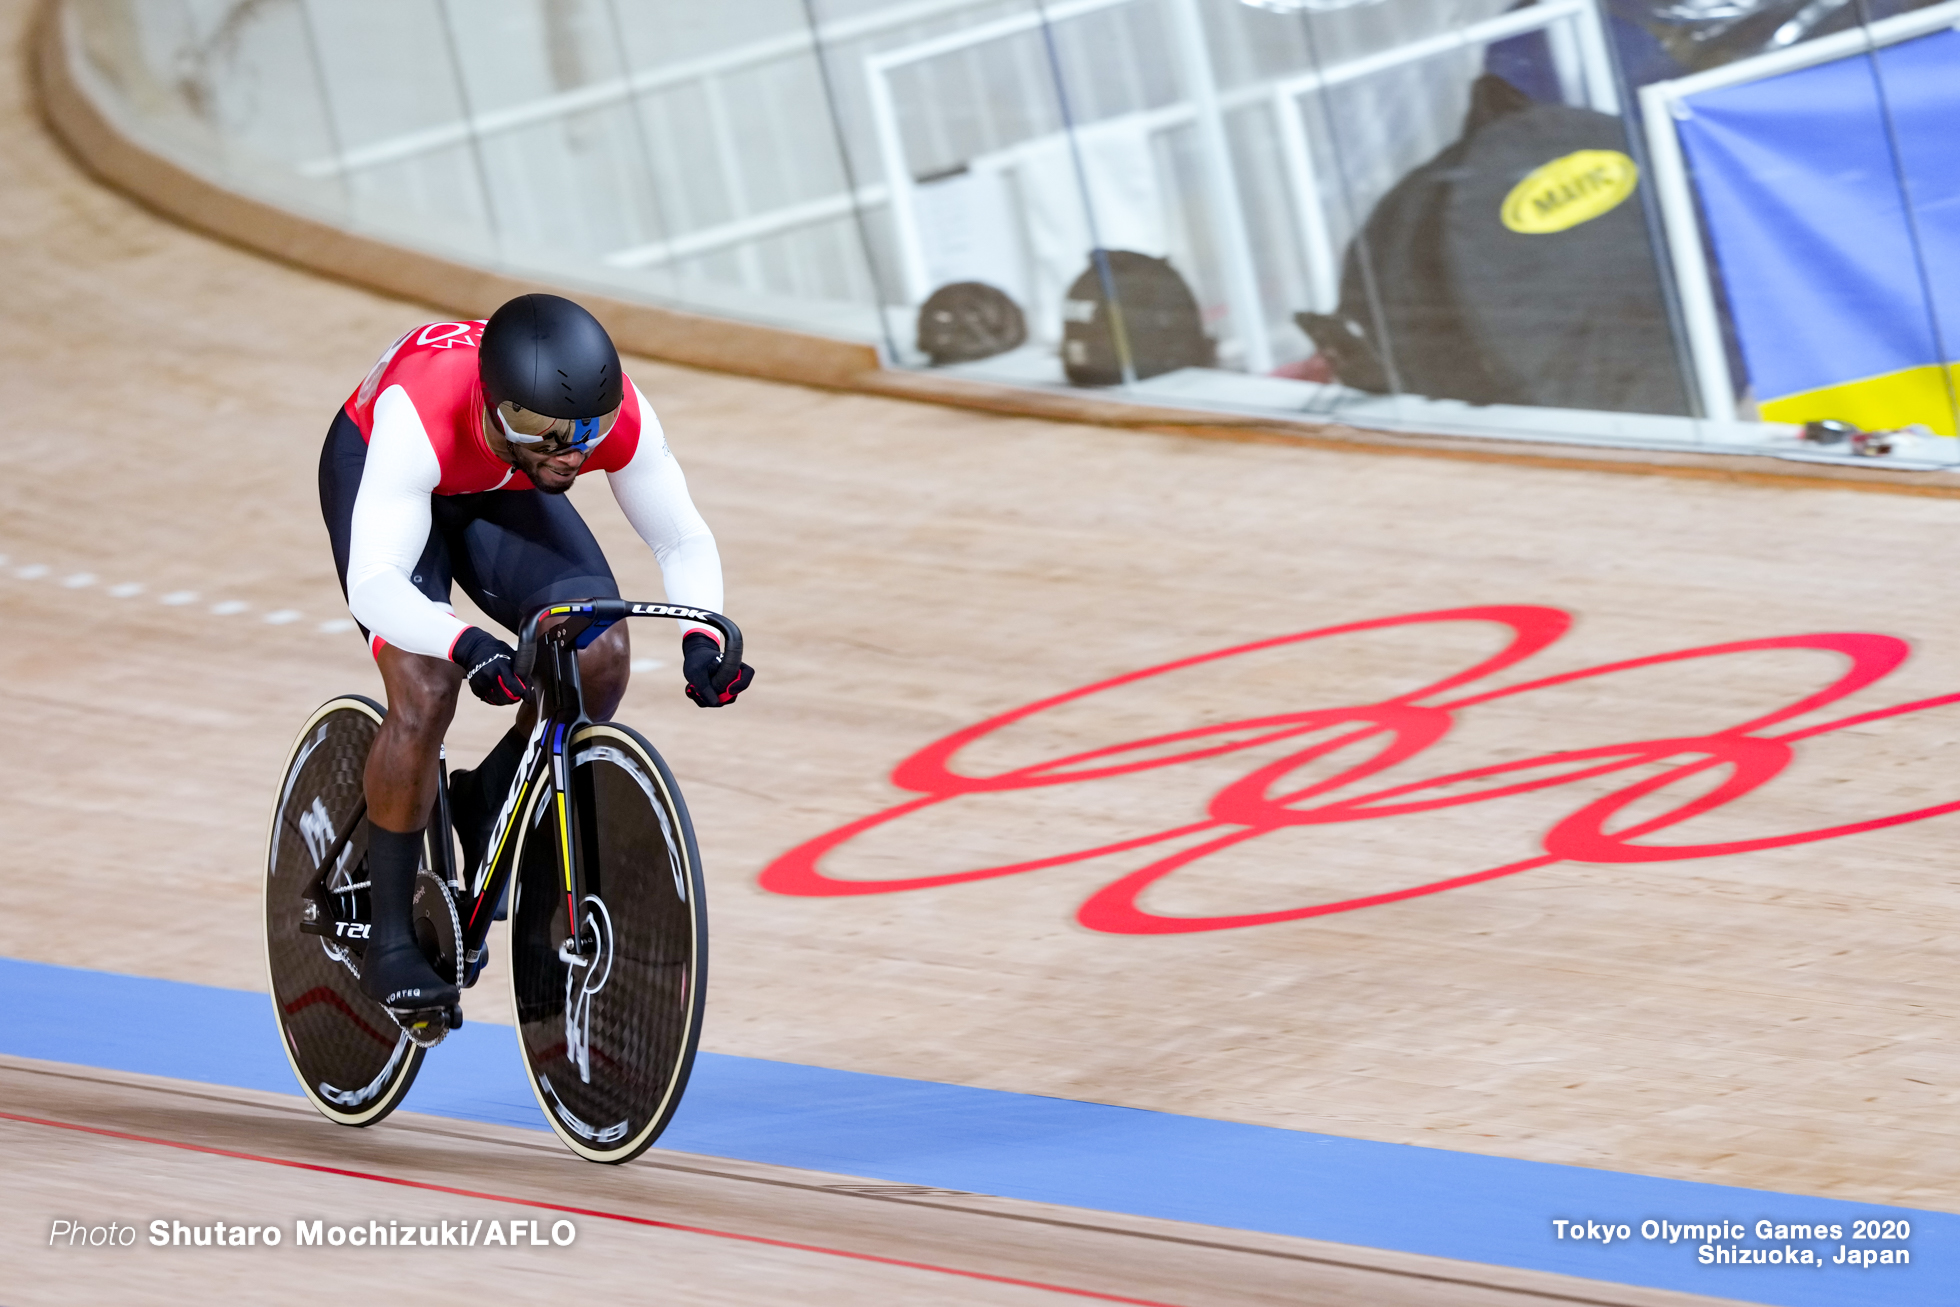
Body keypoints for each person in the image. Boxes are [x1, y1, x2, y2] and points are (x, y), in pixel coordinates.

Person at [319, 294, 753, 1016]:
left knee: (598, 651)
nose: (572, 452)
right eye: (545, 433)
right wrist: (467, 642)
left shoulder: (592, 419)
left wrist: (702, 635)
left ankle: (488, 796)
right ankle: (391, 937)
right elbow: (375, 583)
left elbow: (681, 537)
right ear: (495, 406)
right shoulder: (418, 415)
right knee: (427, 687)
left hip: (497, 477)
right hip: (392, 466)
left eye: (588, 434)